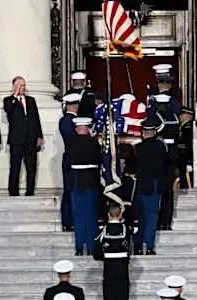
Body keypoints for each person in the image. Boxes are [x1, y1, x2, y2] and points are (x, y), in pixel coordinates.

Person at [133, 119, 168, 255]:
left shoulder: (137, 148)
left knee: (140, 218)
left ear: (143, 133)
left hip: (141, 187)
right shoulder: (161, 147)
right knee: (152, 218)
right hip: (154, 186)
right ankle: (149, 247)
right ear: (154, 132)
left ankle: (137, 247)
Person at [3, 76, 43, 196]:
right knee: (15, 165)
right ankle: (13, 190)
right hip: (17, 139)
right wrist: (15, 96)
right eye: (20, 85)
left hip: (30, 138)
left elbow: (36, 119)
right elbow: (8, 110)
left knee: (31, 166)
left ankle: (30, 190)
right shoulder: (9, 100)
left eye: (24, 85)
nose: (23, 88)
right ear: (15, 86)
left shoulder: (31, 100)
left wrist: (39, 135)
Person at [67, 117, 101, 255]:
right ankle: (91, 248)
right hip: (91, 182)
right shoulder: (93, 143)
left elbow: (66, 163)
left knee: (78, 215)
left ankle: (79, 247)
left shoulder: (70, 143)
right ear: (87, 129)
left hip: (75, 181)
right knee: (91, 215)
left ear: (76, 129)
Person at [149, 94, 179, 231]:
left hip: (160, 154)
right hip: (172, 154)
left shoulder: (157, 116)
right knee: (168, 190)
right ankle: (166, 221)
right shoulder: (174, 116)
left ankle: (158, 220)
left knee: (158, 189)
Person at [94, 204, 132, 300]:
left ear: (108, 215)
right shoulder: (126, 229)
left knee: (109, 291)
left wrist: (103, 257)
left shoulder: (103, 230)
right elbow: (130, 246)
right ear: (120, 215)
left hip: (109, 265)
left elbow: (96, 250)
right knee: (123, 291)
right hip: (122, 265)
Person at [59, 93, 81, 231]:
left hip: (70, 158)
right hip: (73, 159)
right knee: (70, 191)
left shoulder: (66, 120)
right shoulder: (70, 121)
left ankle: (69, 220)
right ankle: (68, 220)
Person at [177, 106, 194, 189]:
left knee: (187, 180)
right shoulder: (182, 126)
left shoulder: (188, 127)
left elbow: (188, 144)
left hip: (186, 156)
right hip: (181, 156)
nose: (180, 116)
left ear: (187, 115)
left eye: (181, 114)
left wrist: (189, 161)